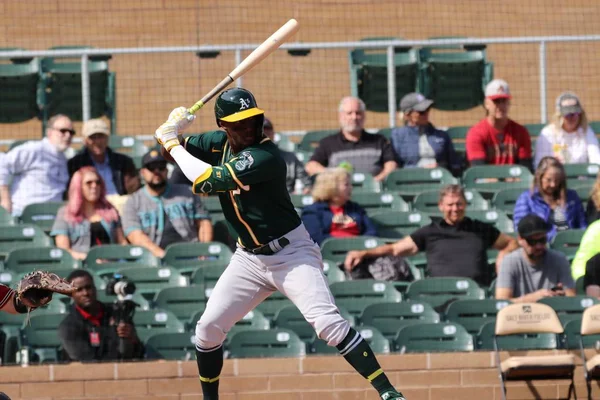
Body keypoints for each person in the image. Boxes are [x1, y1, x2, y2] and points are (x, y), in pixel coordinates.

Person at [154, 87, 407, 400]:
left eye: (252, 121)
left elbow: (205, 180)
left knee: (327, 324)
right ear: (224, 127)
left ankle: (388, 392)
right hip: (248, 258)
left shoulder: (265, 156)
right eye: (239, 124)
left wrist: (171, 140)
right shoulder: (217, 143)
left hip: (291, 253)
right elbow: (171, 152)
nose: (248, 128)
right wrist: (173, 131)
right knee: (207, 330)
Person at [344, 184, 518, 286]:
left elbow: (512, 243)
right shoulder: (430, 232)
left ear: (465, 204)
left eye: (459, 204)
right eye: (450, 205)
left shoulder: (480, 229)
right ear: (441, 206)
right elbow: (396, 249)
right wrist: (363, 253)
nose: (455, 209)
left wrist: (504, 253)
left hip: (478, 289)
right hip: (439, 292)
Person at [122, 149, 213, 258]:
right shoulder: (133, 201)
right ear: (142, 172)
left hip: (191, 254)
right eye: (151, 167)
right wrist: (164, 256)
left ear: (166, 170)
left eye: (161, 167)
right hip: (153, 259)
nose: (157, 171)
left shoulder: (187, 192)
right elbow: (135, 235)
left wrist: (203, 252)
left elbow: (203, 222)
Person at [305, 96, 397, 182]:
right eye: (349, 113)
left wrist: (375, 182)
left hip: (373, 194)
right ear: (341, 116)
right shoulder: (328, 143)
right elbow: (311, 166)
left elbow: (391, 165)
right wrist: (333, 177)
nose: (354, 117)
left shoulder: (379, 141)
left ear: (364, 116)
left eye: (358, 113)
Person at [58, 270, 144, 361]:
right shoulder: (68, 326)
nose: (86, 293)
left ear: (95, 288)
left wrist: (132, 339)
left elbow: (139, 354)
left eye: (89, 287)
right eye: (79, 290)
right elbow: (86, 361)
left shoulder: (117, 314)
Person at [0, 114, 74, 217]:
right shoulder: (35, 149)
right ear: (49, 132)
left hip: (55, 217)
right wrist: (5, 199)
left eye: (71, 132)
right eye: (63, 131)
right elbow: (2, 162)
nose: (68, 135)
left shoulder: (64, 159)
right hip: (24, 214)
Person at [50, 166, 127, 261]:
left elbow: (122, 243)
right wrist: (91, 259)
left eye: (97, 182)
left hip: (111, 265)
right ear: (79, 186)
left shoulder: (110, 210)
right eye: (89, 183)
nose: (94, 186)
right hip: (80, 267)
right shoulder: (65, 213)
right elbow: (64, 250)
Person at [495, 214, 575, 302]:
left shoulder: (559, 259)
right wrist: (535, 298)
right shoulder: (509, 262)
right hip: (519, 314)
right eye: (532, 241)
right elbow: (502, 303)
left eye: (542, 240)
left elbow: (571, 298)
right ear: (520, 240)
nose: (538, 246)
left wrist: (560, 297)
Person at [513, 156, 586, 242]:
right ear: (539, 177)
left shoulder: (571, 197)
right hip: (541, 247)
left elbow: (582, 225)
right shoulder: (527, 199)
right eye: (548, 180)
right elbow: (521, 229)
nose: (553, 184)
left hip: (571, 245)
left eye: (557, 180)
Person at [465, 79, 533, 169]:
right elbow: (479, 170)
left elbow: (525, 167)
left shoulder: (521, 132)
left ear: (509, 103)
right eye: (496, 101)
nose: (501, 106)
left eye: (504, 101)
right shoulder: (476, 133)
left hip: (514, 180)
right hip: (485, 181)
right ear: (486, 104)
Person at [390, 92, 462, 175]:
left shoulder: (442, 136)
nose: (426, 114)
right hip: (410, 181)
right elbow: (395, 167)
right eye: (421, 112)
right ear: (407, 114)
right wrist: (421, 169)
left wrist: (441, 167)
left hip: (439, 179)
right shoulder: (397, 136)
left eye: (427, 110)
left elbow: (454, 165)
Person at [302, 167, 376, 245]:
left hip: (359, 252)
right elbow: (316, 238)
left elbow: (372, 232)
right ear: (331, 187)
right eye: (346, 184)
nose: (351, 188)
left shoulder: (356, 208)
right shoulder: (312, 211)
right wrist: (347, 243)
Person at [68, 119, 141, 196]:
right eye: (92, 137)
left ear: (107, 138)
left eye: (101, 136)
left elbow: (133, 189)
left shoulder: (124, 162)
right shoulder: (75, 164)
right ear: (85, 140)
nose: (98, 141)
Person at [534, 92, 600, 166]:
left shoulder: (586, 131)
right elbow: (539, 164)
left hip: (582, 177)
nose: (571, 118)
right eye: (567, 115)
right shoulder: (548, 133)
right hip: (557, 176)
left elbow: (596, 159)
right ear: (559, 116)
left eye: (575, 114)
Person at [263, 117, 312, 194]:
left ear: (273, 134)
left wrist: (304, 192)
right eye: (263, 132)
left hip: (287, 199)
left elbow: (307, 183)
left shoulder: (290, 158)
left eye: (268, 131)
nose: (266, 135)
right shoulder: (250, 159)